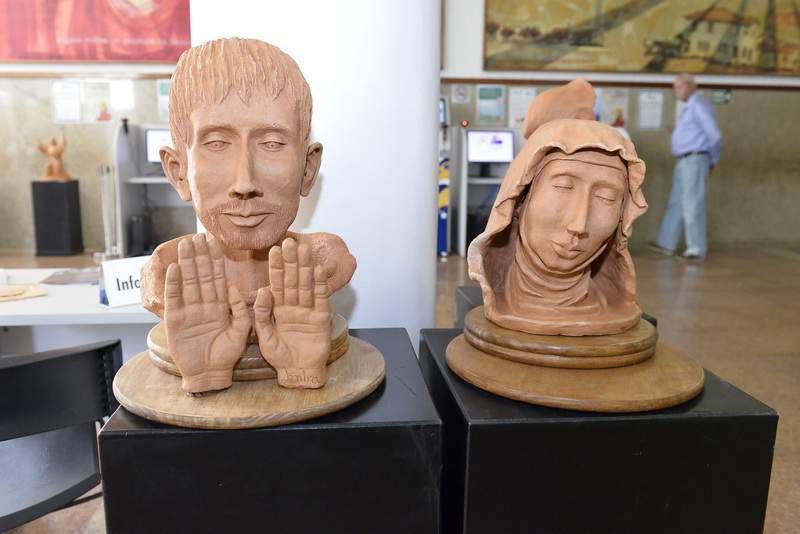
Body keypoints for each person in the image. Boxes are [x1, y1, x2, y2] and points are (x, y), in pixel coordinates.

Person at [140, 37, 356, 395]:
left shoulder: (325, 265)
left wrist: (302, 369)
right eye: (216, 144)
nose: (245, 183)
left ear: (307, 169)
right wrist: (205, 373)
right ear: (179, 172)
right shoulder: (166, 278)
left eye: (272, 144)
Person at [469, 118, 648, 337]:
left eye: (607, 198)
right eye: (563, 187)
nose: (578, 225)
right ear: (521, 200)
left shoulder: (616, 310)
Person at [651, 73, 722, 261]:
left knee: (692, 204)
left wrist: (713, 160)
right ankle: (667, 243)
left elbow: (715, 136)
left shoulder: (699, 105)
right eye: (674, 88)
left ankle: (696, 249)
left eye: (679, 87)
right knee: (677, 202)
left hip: (696, 159)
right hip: (684, 160)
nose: (676, 91)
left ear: (691, 86)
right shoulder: (688, 106)